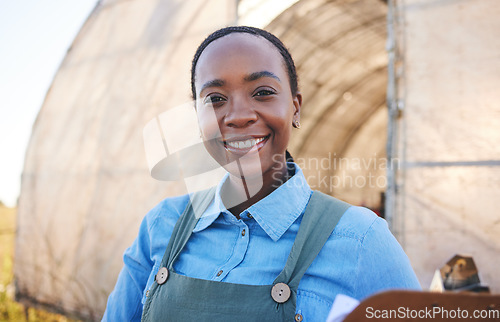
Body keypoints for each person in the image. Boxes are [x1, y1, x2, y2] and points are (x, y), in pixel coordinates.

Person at [103, 26, 421, 321]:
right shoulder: (161, 226)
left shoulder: (360, 240)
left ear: (295, 107)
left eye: (262, 92)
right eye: (215, 99)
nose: (239, 116)